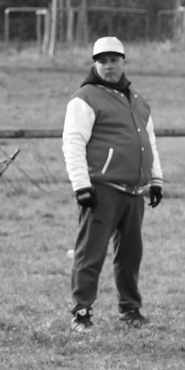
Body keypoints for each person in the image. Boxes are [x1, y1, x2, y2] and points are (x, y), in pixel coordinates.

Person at [62, 36, 164, 332]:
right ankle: (81, 311)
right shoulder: (85, 98)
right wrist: (81, 185)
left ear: (123, 62)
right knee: (90, 253)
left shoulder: (137, 100)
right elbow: (73, 143)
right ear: (94, 64)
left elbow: (150, 143)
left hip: (134, 192)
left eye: (114, 60)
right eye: (102, 61)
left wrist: (156, 179)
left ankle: (130, 308)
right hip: (101, 190)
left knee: (131, 255)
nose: (109, 66)